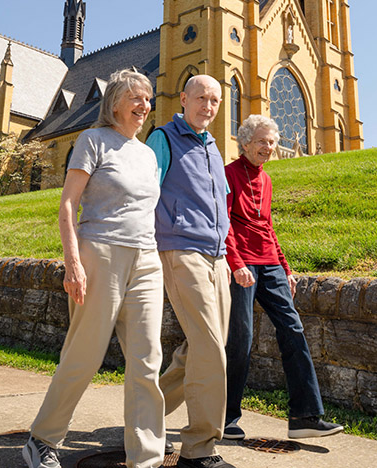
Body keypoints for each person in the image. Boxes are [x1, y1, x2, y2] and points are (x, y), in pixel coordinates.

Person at [23, 69, 165, 468]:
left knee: (147, 360)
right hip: (100, 252)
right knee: (84, 355)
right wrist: (73, 263)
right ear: (115, 101)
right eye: (136, 98)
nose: (145, 106)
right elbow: (68, 205)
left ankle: (147, 458)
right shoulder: (93, 140)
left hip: (146, 259)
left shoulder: (148, 153)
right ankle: (43, 438)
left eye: (149, 99)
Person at [223, 115, 343, 440]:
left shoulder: (267, 180)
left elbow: (268, 227)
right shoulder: (228, 175)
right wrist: (236, 263)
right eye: (262, 141)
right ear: (245, 142)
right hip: (242, 266)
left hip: (270, 264)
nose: (269, 147)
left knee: (293, 329)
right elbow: (225, 226)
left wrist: (285, 268)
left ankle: (305, 416)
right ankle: (226, 417)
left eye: (272, 141)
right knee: (240, 340)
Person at [146, 75, 237, 468]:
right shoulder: (163, 139)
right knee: (209, 346)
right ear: (183, 98)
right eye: (201, 98)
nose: (208, 106)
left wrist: (231, 257)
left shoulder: (214, 148)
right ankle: (199, 449)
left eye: (215, 100)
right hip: (180, 250)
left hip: (218, 258)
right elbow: (143, 194)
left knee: (200, 347)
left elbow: (223, 209)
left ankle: (144, 414)